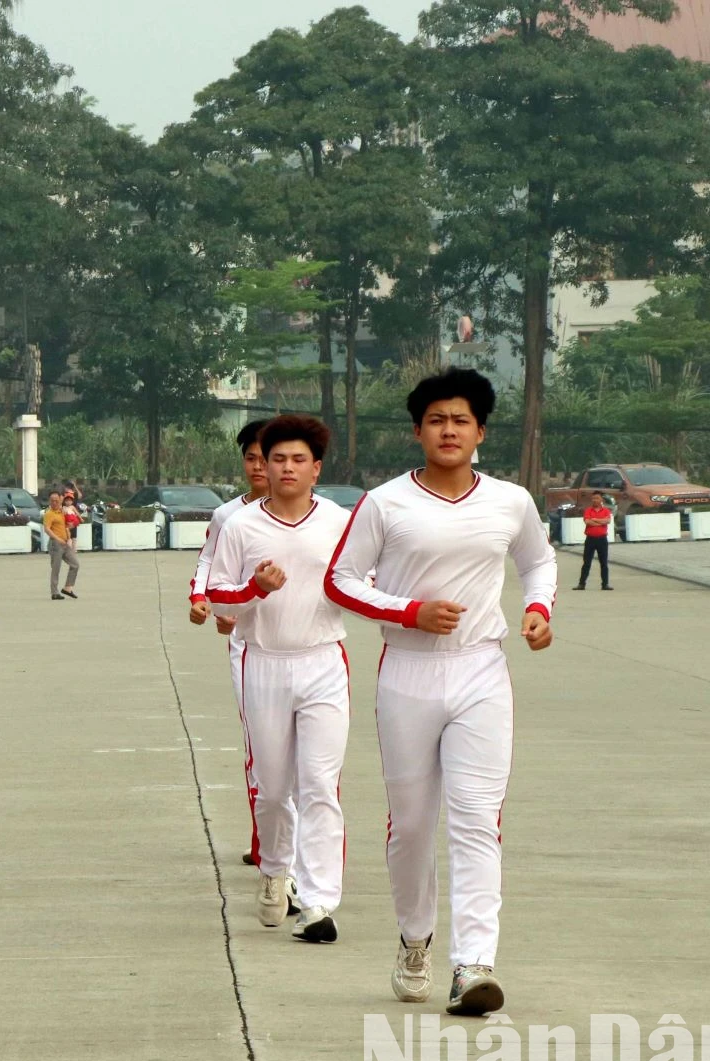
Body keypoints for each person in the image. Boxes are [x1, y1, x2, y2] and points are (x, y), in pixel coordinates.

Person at [325, 368, 555, 1017]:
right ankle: (414, 938)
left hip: (481, 669)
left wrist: (538, 608)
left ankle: (473, 964)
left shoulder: (510, 502)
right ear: (418, 431)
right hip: (407, 672)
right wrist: (408, 612)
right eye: (436, 420)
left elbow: (538, 560)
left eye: (460, 420)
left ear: (480, 430)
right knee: (413, 827)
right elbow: (341, 581)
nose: (448, 430)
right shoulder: (386, 502)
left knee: (477, 818)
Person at [203, 416, 350, 943]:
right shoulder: (241, 526)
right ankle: (274, 872)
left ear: (316, 468)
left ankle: (317, 902)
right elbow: (219, 598)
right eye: (276, 459)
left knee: (319, 785)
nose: (285, 468)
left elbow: (361, 583)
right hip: (262, 661)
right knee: (272, 788)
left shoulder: (339, 521)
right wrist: (255, 589)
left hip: (323, 661)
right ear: (264, 465)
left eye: (297, 459)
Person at [188, 419, 275, 869]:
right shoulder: (228, 516)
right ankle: (266, 844)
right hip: (248, 643)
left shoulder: (319, 515)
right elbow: (208, 564)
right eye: (252, 458)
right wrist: (204, 602)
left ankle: (301, 857)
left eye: (269, 457)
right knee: (260, 745)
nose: (260, 466)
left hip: (309, 650)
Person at [44, 492, 79, 600]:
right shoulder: (49, 513)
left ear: (60, 500)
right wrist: (57, 538)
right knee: (56, 568)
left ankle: (67, 588)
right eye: (52, 500)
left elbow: (66, 525)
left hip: (65, 543)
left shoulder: (62, 512)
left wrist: (70, 529)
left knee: (75, 564)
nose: (54, 502)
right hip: (56, 544)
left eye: (56, 500)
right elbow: (47, 529)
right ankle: (54, 592)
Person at [575, 494, 612, 591]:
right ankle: (581, 584)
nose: (595, 500)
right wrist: (600, 522)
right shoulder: (588, 510)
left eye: (597, 498)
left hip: (602, 539)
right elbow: (587, 522)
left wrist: (595, 520)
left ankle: (605, 584)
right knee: (586, 562)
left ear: (601, 500)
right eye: (593, 498)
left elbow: (607, 521)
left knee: (603, 563)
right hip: (590, 539)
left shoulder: (606, 511)